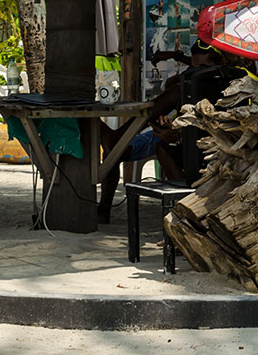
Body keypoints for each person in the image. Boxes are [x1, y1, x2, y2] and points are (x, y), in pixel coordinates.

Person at [97, 41, 246, 222]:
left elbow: (223, 130)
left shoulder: (236, 84)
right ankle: (103, 209)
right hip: (177, 132)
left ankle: (186, 211)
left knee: (155, 145)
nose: (197, 72)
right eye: (194, 67)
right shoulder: (191, 81)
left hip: (204, 143)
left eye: (203, 68)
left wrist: (178, 135)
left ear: (221, 63)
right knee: (117, 150)